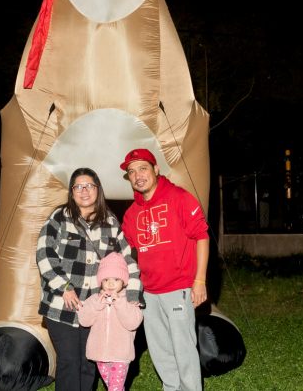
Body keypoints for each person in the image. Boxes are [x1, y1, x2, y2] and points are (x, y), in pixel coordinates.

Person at [37, 167, 142, 391]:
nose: (84, 191)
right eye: (78, 186)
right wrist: (64, 287)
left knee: (88, 363)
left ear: (98, 190)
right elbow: (44, 255)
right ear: (72, 191)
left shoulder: (111, 222)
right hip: (60, 306)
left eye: (89, 186)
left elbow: (128, 261)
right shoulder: (59, 217)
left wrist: (132, 295)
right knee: (69, 362)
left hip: (95, 308)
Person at [119, 148, 209, 391]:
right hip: (148, 293)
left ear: (156, 170)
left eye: (143, 168)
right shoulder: (131, 214)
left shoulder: (179, 197)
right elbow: (128, 253)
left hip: (178, 288)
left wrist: (199, 281)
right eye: (131, 171)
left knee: (184, 349)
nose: (137, 175)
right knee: (160, 350)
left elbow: (202, 236)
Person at [77, 252, 143, 391]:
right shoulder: (95, 299)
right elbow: (84, 320)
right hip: (99, 354)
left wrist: (119, 304)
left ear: (124, 281)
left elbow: (133, 323)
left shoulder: (130, 300)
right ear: (101, 281)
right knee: (112, 386)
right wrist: (96, 305)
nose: (111, 283)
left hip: (120, 355)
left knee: (115, 388)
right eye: (106, 279)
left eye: (116, 279)